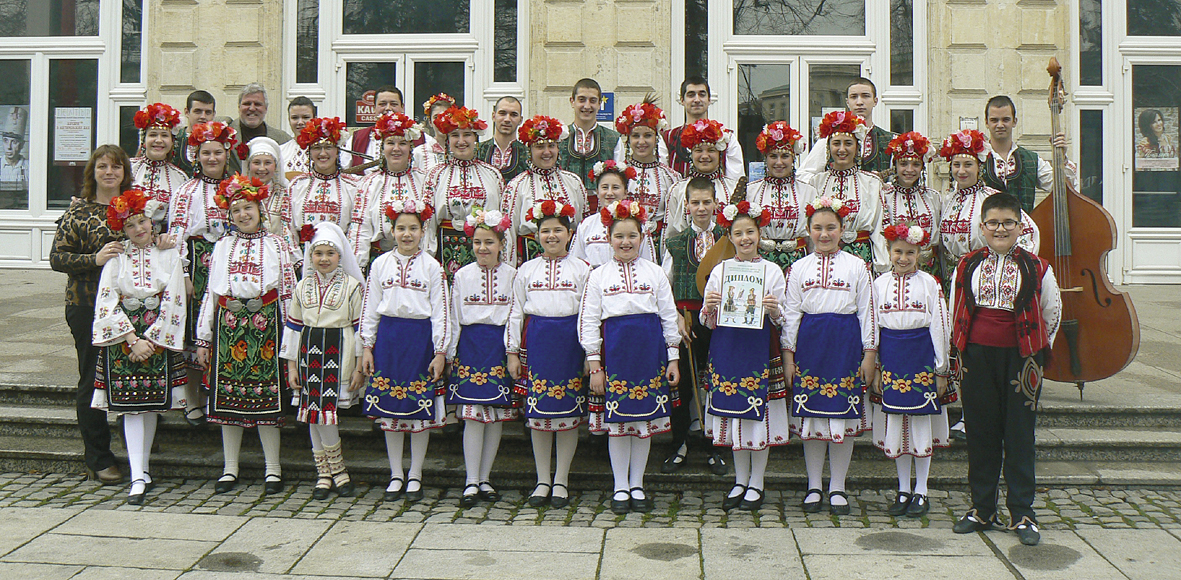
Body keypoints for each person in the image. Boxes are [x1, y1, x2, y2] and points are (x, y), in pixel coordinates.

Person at [950, 193, 1061, 547]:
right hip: (977, 358)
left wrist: (1036, 355)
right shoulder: (966, 265)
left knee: (1019, 435)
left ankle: (1022, 512)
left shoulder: (1037, 267)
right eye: (993, 223)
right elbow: (956, 310)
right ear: (982, 228)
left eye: (1007, 223)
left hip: (1021, 358)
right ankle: (983, 508)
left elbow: (1051, 313)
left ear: (1020, 227)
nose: (1000, 229)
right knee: (981, 433)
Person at [194, 174, 298, 496]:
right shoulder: (223, 245)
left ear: (260, 208)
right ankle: (230, 467)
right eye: (236, 209)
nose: (243, 214)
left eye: (248, 207)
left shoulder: (277, 244)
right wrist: (204, 336)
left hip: (266, 325)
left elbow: (287, 291)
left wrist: (290, 337)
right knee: (227, 401)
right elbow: (211, 293)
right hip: (229, 326)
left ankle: (273, 468)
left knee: (268, 401)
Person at [581, 200, 681, 515]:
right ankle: (620, 486)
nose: (626, 242)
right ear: (608, 238)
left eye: (632, 236)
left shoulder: (654, 273)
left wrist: (673, 357)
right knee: (618, 425)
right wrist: (595, 363)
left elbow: (669, 316)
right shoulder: (598, 276)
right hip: (616, 354)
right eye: (619, 236)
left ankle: (637, 483)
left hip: (649, 354)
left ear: (642, 236)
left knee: (643, 424)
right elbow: (588, 320)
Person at [782, 197, 877, 516]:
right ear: (808, 231)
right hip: (810, 346)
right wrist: (788, 356)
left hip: (845, 345)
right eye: (818, 228)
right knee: (811, 418)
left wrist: (869, 354)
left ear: (843, 229)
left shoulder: (857, 266)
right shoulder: (798, 268)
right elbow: (791, 313)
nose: (824, 234)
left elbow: (867, 312)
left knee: (842, 416)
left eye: (831, 228)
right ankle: (813, 484)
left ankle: (837, 485)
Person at [91, 189, 187, 504]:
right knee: (130, 406)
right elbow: (105, 297)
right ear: (122, 229)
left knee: (149, 404)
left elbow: (175, 298)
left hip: (156, 332)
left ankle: (143, 470)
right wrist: (131, 338)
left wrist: (153, 338)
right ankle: (136, 475)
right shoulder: (117, 257)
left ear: (152, 221)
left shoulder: (170, 253)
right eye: (131, 225)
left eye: (142, 221)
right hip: (125, 336)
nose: (139, 229)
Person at [50, 144, 135, 486]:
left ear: (124, 173)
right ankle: (98, 457)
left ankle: (139, 451)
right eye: (102, 167)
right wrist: (94, 259)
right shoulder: (78, 213)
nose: (109, 172)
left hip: (129, 308)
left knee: (128, 378)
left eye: (116, 167)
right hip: (86, 306)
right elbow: (58, 258)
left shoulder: (135, 209)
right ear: (93, 172)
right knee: (92, 378)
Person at [701, 200, 790, 512]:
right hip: (728, 347)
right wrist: (710, 306)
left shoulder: (773, 271)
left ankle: (757, 482)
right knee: (735, 416)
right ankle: (739, 479)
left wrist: (774, 309)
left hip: (760, 349)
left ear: (759, 234)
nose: (745, 239)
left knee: (758, 416)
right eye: (738, 233)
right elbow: (706, 319)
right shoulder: (721, 270)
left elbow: (784, 318)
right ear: (730, 237)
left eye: (750, 232)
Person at [360, 198, 449, 504]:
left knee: (418, 409)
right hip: (388, 339)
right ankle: (396, 472)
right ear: (392, 231)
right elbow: (370, 308)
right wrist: (367, 346)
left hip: (419, 339)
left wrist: (440, 351)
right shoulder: (380, 264)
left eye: (413, 228)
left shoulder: (433, 267)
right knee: (390, 411)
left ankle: (416, 474)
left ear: (423, 231)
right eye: (401, 228)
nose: (407, 234)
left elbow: (440, 312)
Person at [506, 201, 591, 509]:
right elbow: (516, 312)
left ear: (569, 234)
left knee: (568, 415)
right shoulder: (526, 270)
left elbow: (588, 314)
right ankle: (543, 479)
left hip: (569, 345)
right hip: (537, 343)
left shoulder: (583, 270)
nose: (551, 236)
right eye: (545, 231)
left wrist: (588, 355)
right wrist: (512, 352)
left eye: (558, 230)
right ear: (536, 235)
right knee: (538, 416)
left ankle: (562, 480)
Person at [871, 222, 951, 518]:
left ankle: (922, 490)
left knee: (919, 426)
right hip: (892, 359)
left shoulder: (930, 284)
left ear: (920, 253)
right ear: (889, 252)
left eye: (910, 252)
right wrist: (877, 367)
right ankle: (903, 487)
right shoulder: (879, 285)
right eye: (898, 252)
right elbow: (873, 328)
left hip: (920, 359)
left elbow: (940, 326)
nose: (903, 258)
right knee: (897, 427)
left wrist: (941, 368)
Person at [281, 222, 363, 500]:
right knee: (311, 414)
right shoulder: (302, 286)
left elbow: (360, 329)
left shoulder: (352, 287)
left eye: (330, 253)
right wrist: (291, 364)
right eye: (318, 254)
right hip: (308, 353)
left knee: (326, 413)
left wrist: (359, 364)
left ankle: (338, 471)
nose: (324, 259)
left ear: (340, 256)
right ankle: (325, 473)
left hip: (338, 352)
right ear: (310, 256)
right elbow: (292, 327)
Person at [168, 121, 237, 425]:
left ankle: (220, 396)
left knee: (225, 329)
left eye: (218, 152)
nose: (212, 158)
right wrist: (184, 275)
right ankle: (193, 401)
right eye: (206, 152)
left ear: (226, 154)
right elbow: (176, 235)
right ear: (196, 155)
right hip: (198, 264)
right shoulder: (186, 191)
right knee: (195, 333)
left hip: (230, 262)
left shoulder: (238, 187)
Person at [447, 207, 517, 507]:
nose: (483, 248)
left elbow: (516, 315)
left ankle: (485, 478)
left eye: (489, 242)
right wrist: (450, 352)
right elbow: (453, 317)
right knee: (474, 418)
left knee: (496, 416)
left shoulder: (514, 275)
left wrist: (512, 350)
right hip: (472, 346)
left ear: (502, 244)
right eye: (477, 242)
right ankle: (471, 481)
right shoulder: (462, 275)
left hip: (499, 346)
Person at [658, 177, 726, 476]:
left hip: (722, 323)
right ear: (686, 205)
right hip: (686, 320)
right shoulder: (674, 241)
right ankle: (680, 444)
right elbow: (664, 288)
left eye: (706, 202)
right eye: (695, 202)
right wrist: (674, 318)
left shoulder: (729, 237)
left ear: (715, 204)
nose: (701, 208)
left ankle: (717, 447)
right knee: (683, 385)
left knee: (716, 383)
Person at [938, 129, 1039, 287]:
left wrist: (1009, 268)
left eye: (968, 165)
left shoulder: (992, 199)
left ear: (979, 168)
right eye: (956, 165)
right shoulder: (946, 200)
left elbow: (1028, 231)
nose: (961, 171)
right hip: (950, 278)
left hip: (984, 277)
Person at [426, 105, 504, 280]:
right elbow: (428, 223)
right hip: (444, 250)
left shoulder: (492, 174)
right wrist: (428, 258)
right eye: (455, 135)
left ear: (475, 138)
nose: (461, 141)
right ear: (447, 140)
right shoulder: (435, 175)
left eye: (467, 134)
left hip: (484, 250)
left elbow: (501, 219)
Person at [349, 112, 432, 269]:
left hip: (418, 261)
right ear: (382, 148)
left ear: (410, 148)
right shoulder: (369, 184)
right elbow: (361, 229)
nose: (396, 149)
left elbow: (429, 227)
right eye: (390, 143)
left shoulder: (425, 181)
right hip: (380, 262)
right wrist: (358, 268)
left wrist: (427, 262)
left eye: (402, 143)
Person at [503, 115, 588, 264]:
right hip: (530, 262)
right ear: (530, 150)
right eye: (540, 147)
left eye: (551, 146)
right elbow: (507, 234)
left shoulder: (573, 182)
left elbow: (584, 227)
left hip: (570, 262)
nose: (547, 152)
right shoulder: (516, 186)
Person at [808, 111, 887, 271]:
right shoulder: (816, 182)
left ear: (857, 147)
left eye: (848, 143)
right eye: (836, 143)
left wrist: (882, 266)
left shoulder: (872, 183)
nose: (842, 149)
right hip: (824, 257)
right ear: (829, 147)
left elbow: (879, 228)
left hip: (861, 258)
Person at [981, 95, 1077, 214]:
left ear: (1014, 121)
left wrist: (1061, 158)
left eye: (1006, 119)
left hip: (1023, 231)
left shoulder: (1031, 159)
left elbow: (1063, 189)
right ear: (986, 122)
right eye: (994, 120)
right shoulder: (977, 158)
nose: (1000, 125)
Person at [745, 121, 815, 270]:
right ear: (765, 158)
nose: (779, 162)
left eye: (785, 156)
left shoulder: (809, 191)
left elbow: (812, 237)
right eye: (773, 156)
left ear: (793, 159)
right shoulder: (751, 191)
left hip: (799, 262)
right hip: (761, 262)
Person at [797, 77, 894, 183]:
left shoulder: (890, 141)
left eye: (865, 96)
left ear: (875, 101)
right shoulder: (831, 137)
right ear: (847, 102)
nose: (859, 102)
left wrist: (883, 188)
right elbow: (803, 176)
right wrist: (828, 185)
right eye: (854, 97)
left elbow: (898, 182)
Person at [287, 117, 359, 257]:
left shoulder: (354, 187)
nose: (323, 153)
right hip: (303, 259)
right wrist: (298, 262)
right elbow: (287, 228)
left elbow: (357, 230)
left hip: (340, 258)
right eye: (317, 148)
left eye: (328, 147)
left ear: (337, 150)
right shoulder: (296, 185)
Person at [663, 119, 740, 249]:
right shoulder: (678, 190)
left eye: (711, 150)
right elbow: (670, 235)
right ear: (691, 154)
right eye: (699, 150)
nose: (705, 156)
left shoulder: (734, 188)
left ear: (719, 153)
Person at [614, 99, 677, 256]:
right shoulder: (618, 173)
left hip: (659, 248)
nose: (641, 142)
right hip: (624, 247)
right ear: (628, 139)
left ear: (656, 138)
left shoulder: (671, 177)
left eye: (647, 135)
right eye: (636, 136)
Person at [571, 161, 656, 266]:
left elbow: (648, 263)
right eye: (605, 187)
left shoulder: (638, 224)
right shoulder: (586, 225)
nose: (610, 193)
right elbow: (576, 262)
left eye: (615, 187)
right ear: (597, 191)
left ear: (625, 192)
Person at [881, 131, 941, 280]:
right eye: (903, 164)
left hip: (930, 269)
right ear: (895, 166)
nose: (909, 170)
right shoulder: (885, 197)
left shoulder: (933, 197)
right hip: (896, 267)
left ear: (922, 167)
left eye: (916, 164)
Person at [663, 76, 744, 179]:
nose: (697, 100)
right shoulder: (668, 138)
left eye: (702, 94)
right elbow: (662, 180)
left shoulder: (726, 137)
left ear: (709, 100)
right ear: (682, 100)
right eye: (691, 95)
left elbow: (735, 181)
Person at [558, 78, 621, 195]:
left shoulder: (613, 138)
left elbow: (619, 179)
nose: (587, 106)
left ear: (599, 104)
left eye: (592, 100)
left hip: (601, 206)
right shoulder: (559, 136)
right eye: (582, 100)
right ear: (572, 101)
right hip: (565, 203)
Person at [129, 103, 188, 219]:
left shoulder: (180, 178)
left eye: (164, 135)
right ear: (144, 140)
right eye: (153, 135)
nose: (159, 140)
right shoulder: (128, 168)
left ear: (172, 142)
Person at [243, 137, 298, 253]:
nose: (262, 168)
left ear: (276, 166)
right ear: (249, 165)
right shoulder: (239, 194)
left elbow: (288, 232)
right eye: (256, 162)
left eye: (267, 163)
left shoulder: (285, 194)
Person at [227, 83, 293, 175]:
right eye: (247, 103)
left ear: (266, 108)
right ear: (239, 107)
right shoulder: (225, 133)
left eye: (257, 104)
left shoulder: (282, 140)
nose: (252, 108)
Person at [279, 97, 349, 176]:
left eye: (305, 117)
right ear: (289, 119)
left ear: (314, 118)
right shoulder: (281, 151)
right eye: (295, 118)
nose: (300, 122)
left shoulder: (330, 150)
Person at [349, 86, 411, 169]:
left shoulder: (418, 137)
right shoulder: (356, 138)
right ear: (374, 108)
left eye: (393, 104)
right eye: (382, 104)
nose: (388, 108)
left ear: (402, 108)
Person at [477, 96, 529, 183]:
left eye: (513, 115)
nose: (507, 119)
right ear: (493, 116)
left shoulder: (528, 154)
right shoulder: (477, 151)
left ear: (520, 120)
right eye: (502, 113)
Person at [172, 91, 217, 176]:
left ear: (213, 114)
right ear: (187, 112)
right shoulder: (174, 139)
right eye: (198, 111)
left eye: (208, 112)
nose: (203, 116)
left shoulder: (218, 142)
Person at [416, 93, 455, 173]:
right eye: (436, 117)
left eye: (446, 116)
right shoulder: (419, 153)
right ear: (430, 122)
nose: (441, 121)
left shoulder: (462, 150)